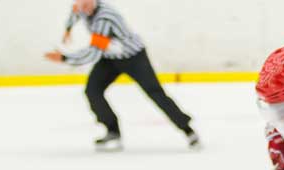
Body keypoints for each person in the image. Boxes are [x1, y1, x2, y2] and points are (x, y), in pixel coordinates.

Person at [45, 0, 199, 150]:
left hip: (133, 58)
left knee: (154, 92)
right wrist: (68, 29)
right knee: (92, 90)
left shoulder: (104, 19)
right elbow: (75, 13)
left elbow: (93, 53)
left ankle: (187, 129)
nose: (83, 9)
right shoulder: (80, 7)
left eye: (86, 5)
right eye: (80, 5)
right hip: (110, 58)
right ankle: (112, 131)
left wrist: (64, 58)